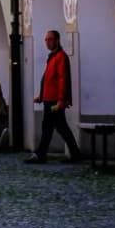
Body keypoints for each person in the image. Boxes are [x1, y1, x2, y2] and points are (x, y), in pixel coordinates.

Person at [29, 31, 81, 163]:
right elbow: (48, 79)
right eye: (46, 40)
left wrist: (61, 100)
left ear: (57, 40)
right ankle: (75, 154)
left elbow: (62, 79)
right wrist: (41, 96)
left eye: (50, 39)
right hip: (49, 99)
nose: (47, 42)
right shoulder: (53, 56)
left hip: (54, 101)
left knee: (49, 127)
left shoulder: (60, 56)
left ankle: (41, 154)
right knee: (59, 127)